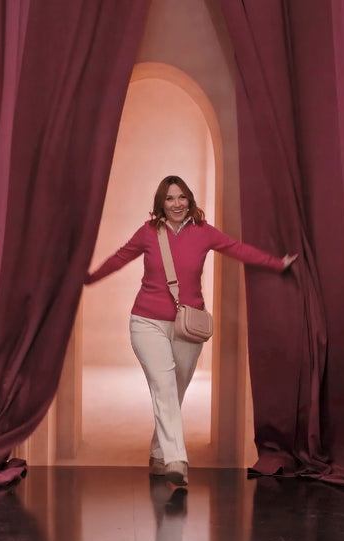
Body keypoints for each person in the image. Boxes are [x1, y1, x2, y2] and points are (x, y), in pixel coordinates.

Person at [85, 175, 296, 486]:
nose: (176, 204)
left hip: (188, 326)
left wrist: (277, 263)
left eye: (181, 197)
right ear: (161, 203)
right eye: (170, 198)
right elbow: (120, 257)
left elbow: (237, 250)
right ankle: (176, 460)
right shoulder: (148, 232)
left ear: (189, 200)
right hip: (147, 322)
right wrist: (88, 278)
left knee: (175, 391)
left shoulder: (203, 232)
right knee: (164, 386)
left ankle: (159, 453)